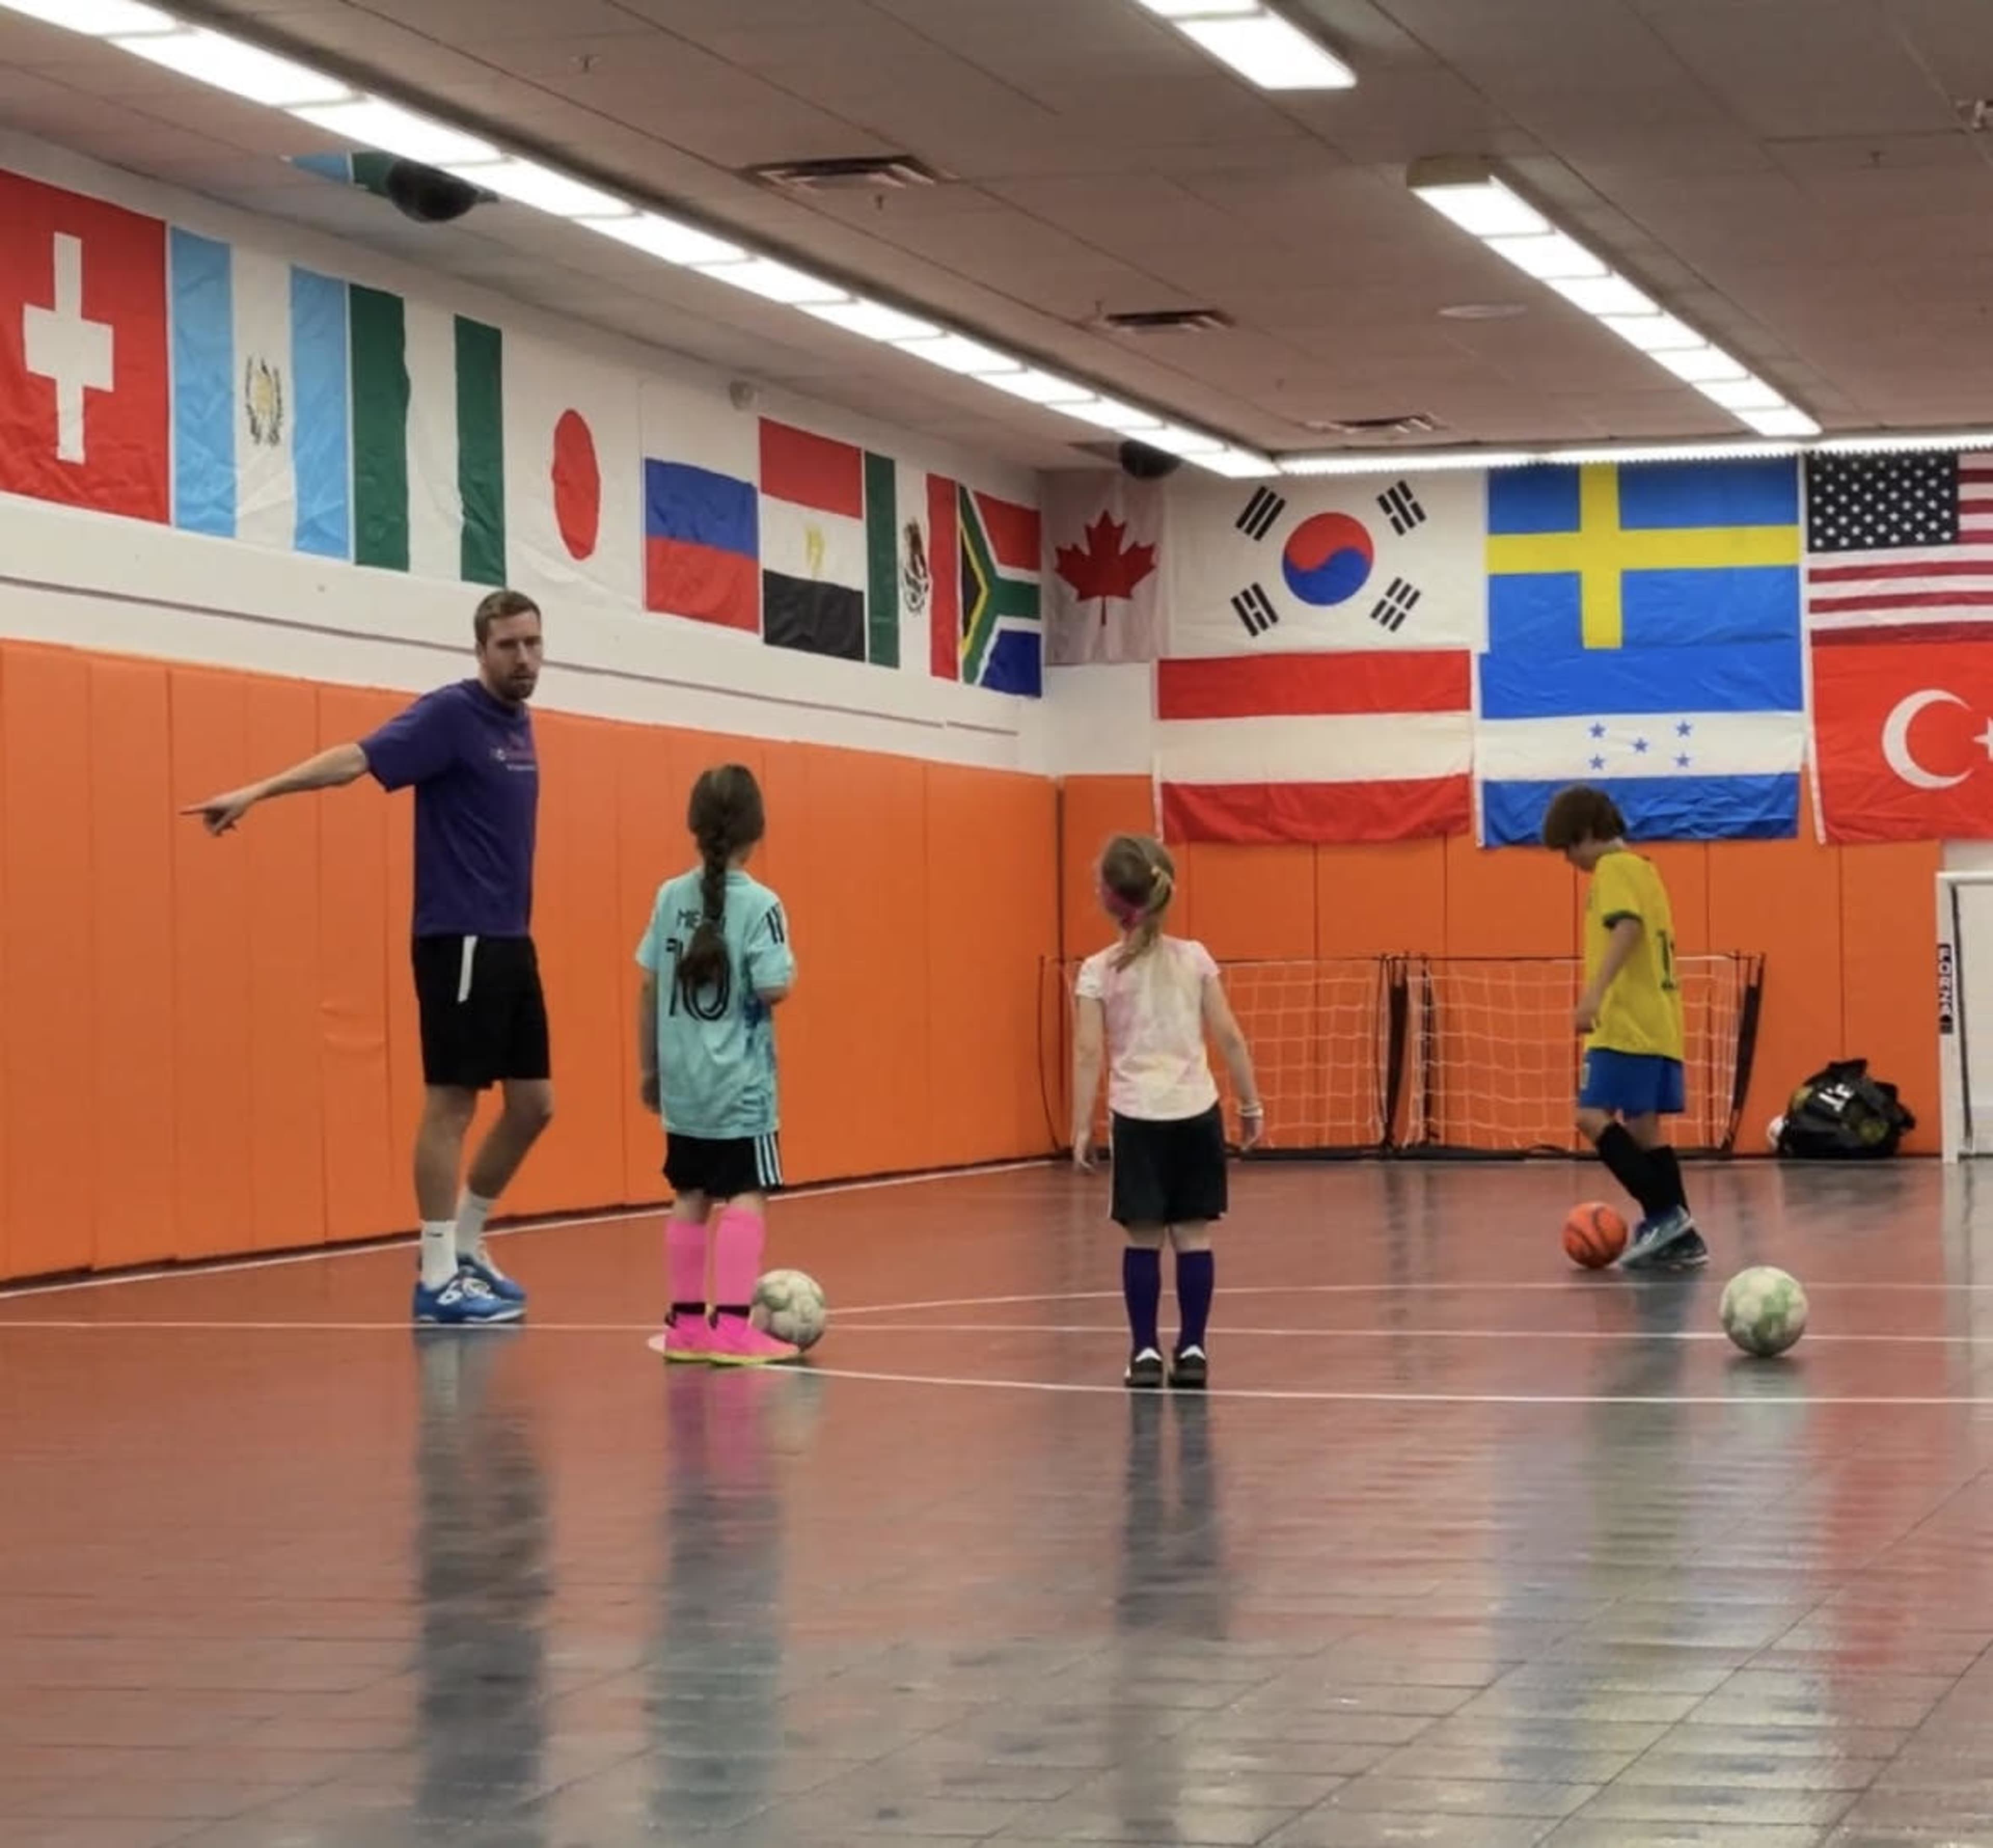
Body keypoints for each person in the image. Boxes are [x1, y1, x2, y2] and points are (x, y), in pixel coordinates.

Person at [183, 589, 553, 1325]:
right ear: (479, 650)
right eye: (509, 646)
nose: (524, 659)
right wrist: (262, 789)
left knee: (535, 1106)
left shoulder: (520, 723)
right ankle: (436, 1271)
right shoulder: (451, 716)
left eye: (533, 644)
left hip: (511, 939)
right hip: (460, 938)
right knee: (452, 1102)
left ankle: (468, 1246)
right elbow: (356, 759)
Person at [1071, 835, 1262, 1390]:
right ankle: (1195, 1346)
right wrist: (1251, 1102)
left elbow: (1088, 1051)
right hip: (1195, 1113)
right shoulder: (1195, 958)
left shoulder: (1097, 971)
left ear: (1108, 896)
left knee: (1143, 1238)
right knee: (1193, 1235)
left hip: (1138, 1118)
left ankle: (1146, 1351)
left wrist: (1082, 1124)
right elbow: (1228, 1034)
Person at [636, 765, 799, 1366]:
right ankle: (732, 1326)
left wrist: (649, 1068)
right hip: (741, 1087)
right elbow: (774, 985)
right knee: (747, 1192)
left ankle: (685, 1325)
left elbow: (648, 988)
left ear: (695, 826)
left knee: (691, 1192)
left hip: (684, 1084)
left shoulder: (668, 896)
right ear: (757, 829)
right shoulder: (762, 905)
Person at [1542, 785, 1707, 1270]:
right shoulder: (1645, 870)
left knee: (1590, 1116)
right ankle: (1683, 1237)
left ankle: (1664, 1216)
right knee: (1643, 1127)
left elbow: (1628, 927)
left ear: (1588, 833)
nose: (1569, 860)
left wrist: (1594, 994)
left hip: (1625, 1023)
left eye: (1569, 848)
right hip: (1659, 1023)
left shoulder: (1613, 870)